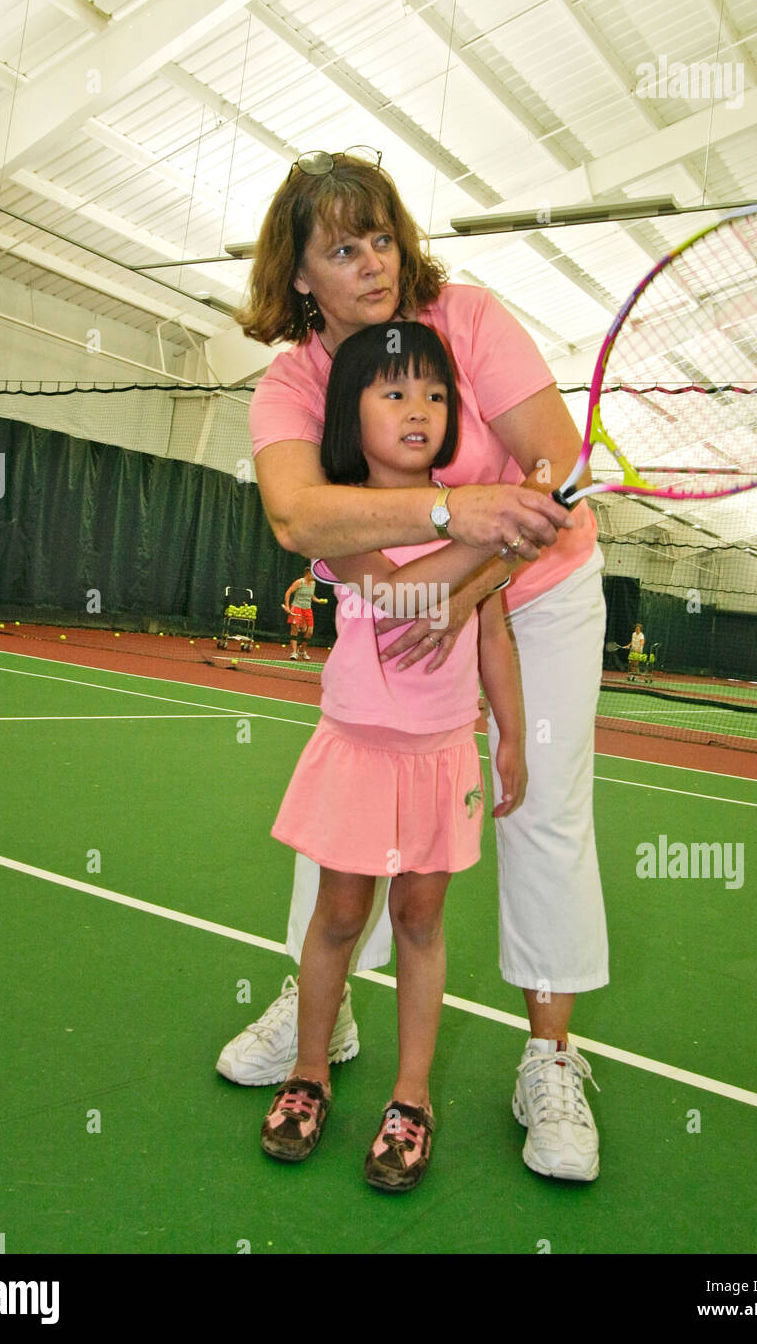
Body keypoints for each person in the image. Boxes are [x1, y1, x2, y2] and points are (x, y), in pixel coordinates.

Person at [218, 148, 608, 1183]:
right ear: (298, 274)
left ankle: (549, 1059)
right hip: (409, 599)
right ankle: (325, 1019)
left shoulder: (467, 320)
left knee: (538, 810)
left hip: (539, 588)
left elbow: (554, 467)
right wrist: (456, 512)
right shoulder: (294, 381)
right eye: (340, 248)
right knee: (340, 833)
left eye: (380, 236)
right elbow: (300, 512)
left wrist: (466, 590)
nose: (371, 262)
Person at [260, 322, 526, 1190]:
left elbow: (491, 630)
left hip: (442, 757)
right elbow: (404, 593)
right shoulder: (340, 517)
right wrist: (488, 542)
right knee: (338, 915)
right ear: (351, 411)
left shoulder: (481, 509)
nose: (421, 410)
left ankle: (411, 1098)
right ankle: (309, 1072)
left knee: (419, 920)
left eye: (437, 395)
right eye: (395, 393)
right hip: (359, 753)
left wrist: (512, 735)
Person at [283, 568, 327, 660]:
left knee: (309, 632)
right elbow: (288, 592)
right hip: (297, 608)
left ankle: (302, 650)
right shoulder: (299, 582)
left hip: (307, 609)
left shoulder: (313, 584)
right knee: (294, 630)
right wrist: (287, 606)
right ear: (308, 573)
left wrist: (319, 601)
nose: (316, 577)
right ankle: (294, 652)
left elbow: (311, 596)